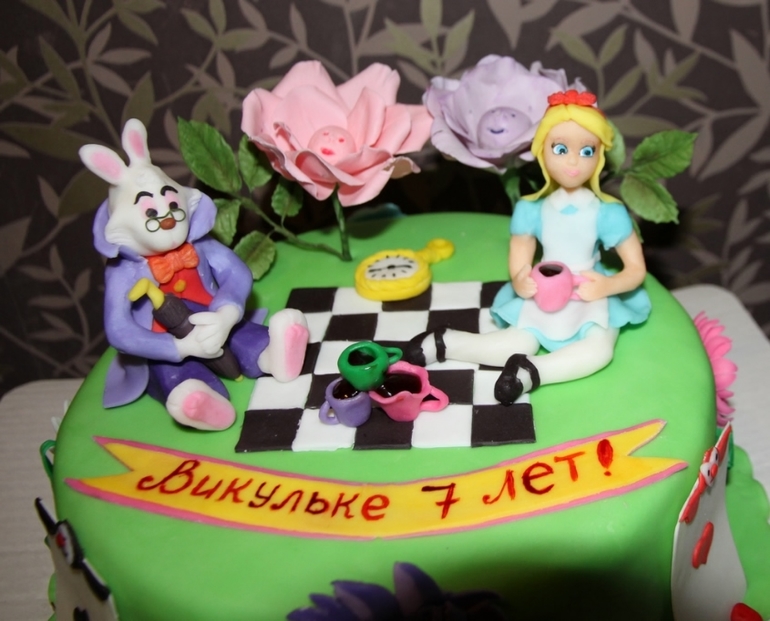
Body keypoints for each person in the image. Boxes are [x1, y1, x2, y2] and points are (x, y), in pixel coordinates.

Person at [405, 90, 650, 405]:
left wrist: (608, 285)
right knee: (516, 341)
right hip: (544, 286)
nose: (573, 160)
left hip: (590, 291)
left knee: (599, 350)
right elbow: (520, 257)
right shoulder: (531, 209)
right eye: (560, 148)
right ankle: (444, 342)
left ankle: (530, 373)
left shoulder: (608, 212)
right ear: (541, 151)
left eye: (586, 150)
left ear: (600, 155)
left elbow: (636, 270)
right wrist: (521, 279)